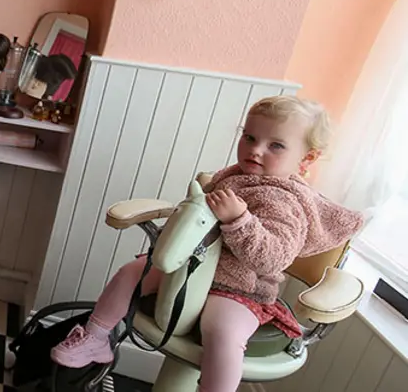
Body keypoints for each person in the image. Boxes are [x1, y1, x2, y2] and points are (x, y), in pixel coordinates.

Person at [50, 96, 364, 392]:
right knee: (131, 273)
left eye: (276, 145)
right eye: (250, 138)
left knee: (223, 331)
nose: (255, 150)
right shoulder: (234, 175)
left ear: (306, 159)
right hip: (193, 271)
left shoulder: (285, 203)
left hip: (240, 289)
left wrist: (239, 220)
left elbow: (273, 258)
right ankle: (95, 337)